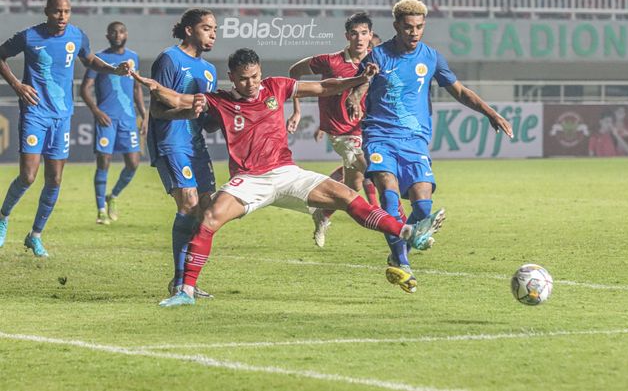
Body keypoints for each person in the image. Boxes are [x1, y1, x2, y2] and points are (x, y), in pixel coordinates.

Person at [130, 48, 446, 307]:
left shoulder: (276, 87)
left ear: (260, 72)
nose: (250, 84)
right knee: (210, 217)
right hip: (249, 180)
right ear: (233, 79)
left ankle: (409, 234)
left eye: (254, 76)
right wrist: (143, 80)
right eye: (243, 79)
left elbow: (323, 87)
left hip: (286, 173)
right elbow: (174, 99)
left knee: (348, 197)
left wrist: (357, 79)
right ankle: (185, 292)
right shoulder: (221, 100)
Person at [347, 0, 513, 293]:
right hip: (380, 136)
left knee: (423, 207)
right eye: (408, 27)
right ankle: (403, 265)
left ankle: (400, 251)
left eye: (419, 27)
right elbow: (361, 81)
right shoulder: (379, 56)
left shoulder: (431, 57)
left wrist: (492, 113)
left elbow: (460, 91)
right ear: (397, 26)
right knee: (389, 197)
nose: (414, 33)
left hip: (415, 140)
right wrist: (353, 97)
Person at [0, 0, 130, 256]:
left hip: (62, 116)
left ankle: (35, 235)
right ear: (47, 11)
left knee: (55, 179)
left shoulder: (77, 36)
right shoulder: (29, 36)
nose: (62, 17)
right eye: (57, 11)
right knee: (28, 176)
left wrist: (114, 69)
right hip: (35, 113)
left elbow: (90, 59)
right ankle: (3, 218)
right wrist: (16, 84)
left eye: (67, 12)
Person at [285, 12, 379, 247]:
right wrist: (297, 110)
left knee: (354, 184)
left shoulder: (377, 62)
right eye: (354, 33)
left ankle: (322, 213)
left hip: (366, 129)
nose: (359, 38)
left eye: (364, 33)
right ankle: (384, 218)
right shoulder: (330, 61)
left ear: (370, 36)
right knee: (374, 169)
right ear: (347, 36)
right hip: (341, 132)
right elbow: (294, 73)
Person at [148, 8, 218, 298]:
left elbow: (208, 124)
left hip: (195, 145)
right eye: (206, 28)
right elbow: (156, 108)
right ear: (189, 30)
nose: (213, 34)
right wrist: (187, 110)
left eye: (215, 29)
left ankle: (189, 282)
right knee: (188, 204)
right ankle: (178, 282)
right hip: (170, 141)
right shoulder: (169, 59)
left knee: (206, 210)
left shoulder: (210, 71)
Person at [80, 22, 147, 224]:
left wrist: (144, 115)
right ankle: (101, 210)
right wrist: (96, 111)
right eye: (113, 32)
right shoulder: (99, 59)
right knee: (104, 162)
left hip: (127, 118)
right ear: (107, 35)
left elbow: (137, 89)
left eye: (121, 31)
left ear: (126, 34)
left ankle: (113, 196)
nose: (118, 35)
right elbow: (84, 89)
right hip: (107, 118)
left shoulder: (133, 57)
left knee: (133, 163)